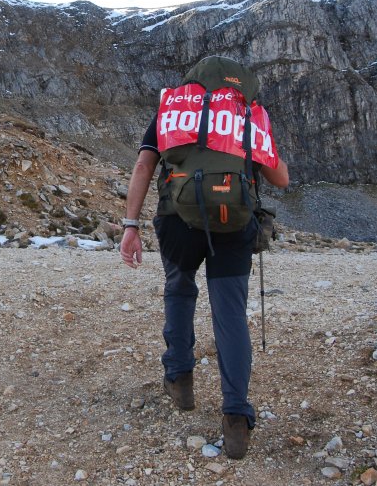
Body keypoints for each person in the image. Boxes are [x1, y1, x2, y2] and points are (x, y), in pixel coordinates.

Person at [119, 57, 289, 460]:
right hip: (234, 221)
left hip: (177, 220)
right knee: (230, 314)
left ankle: (180, 379)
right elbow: (280, 178)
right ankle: (236, 417)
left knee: (179, 290)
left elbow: (144, 165)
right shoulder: (247, 115)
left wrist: (130, 225)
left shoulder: (174, 108)